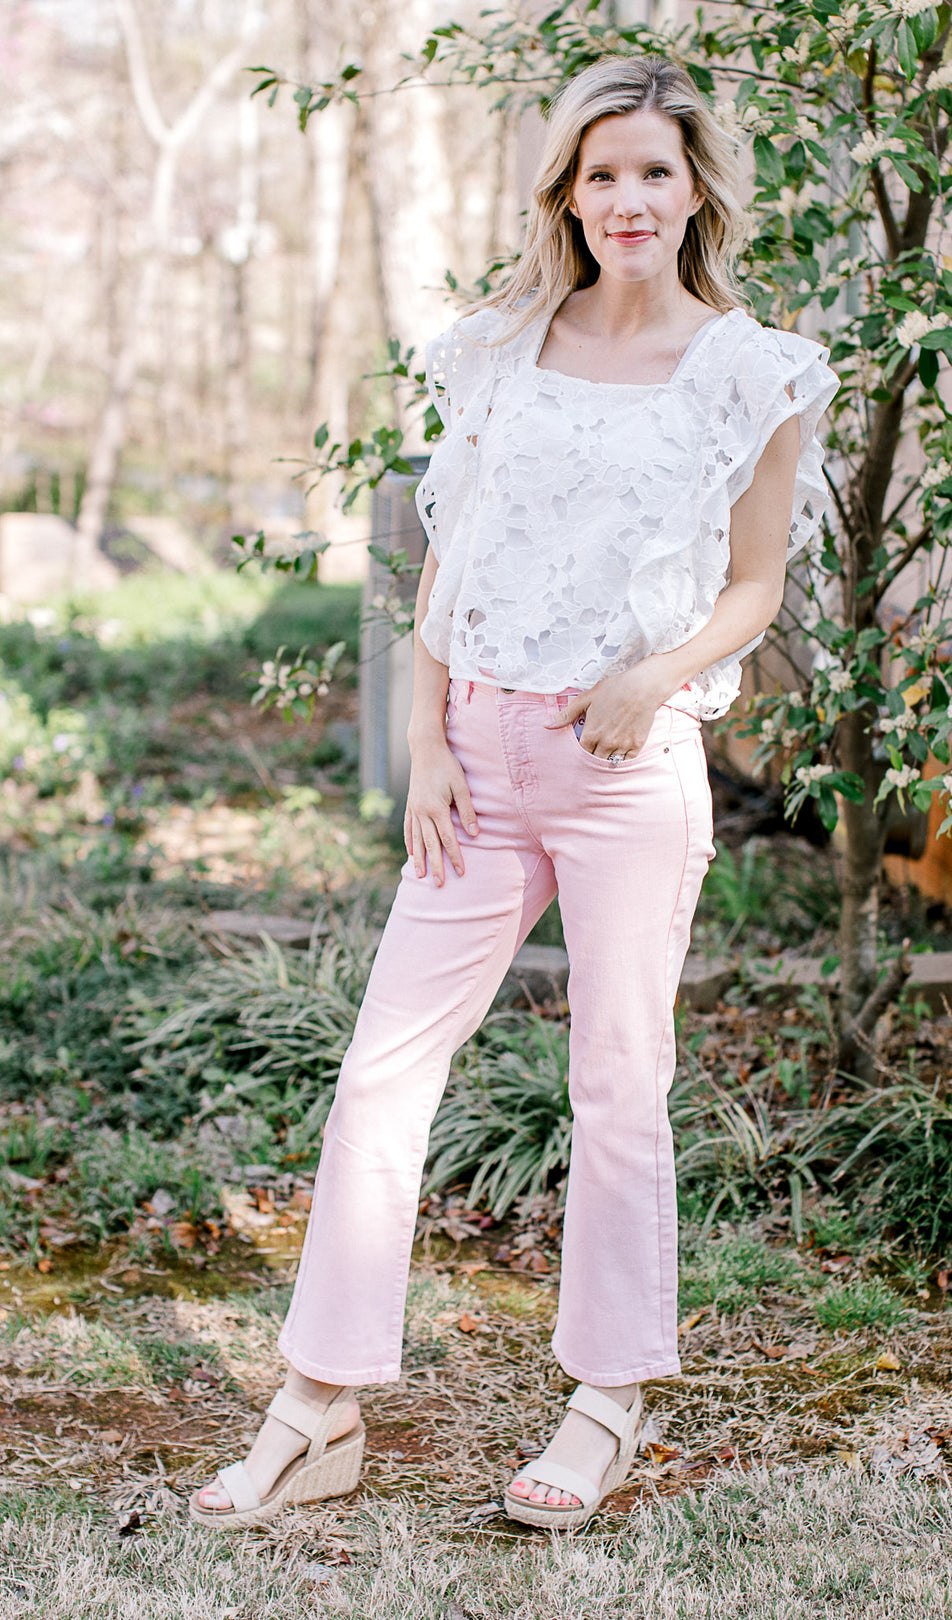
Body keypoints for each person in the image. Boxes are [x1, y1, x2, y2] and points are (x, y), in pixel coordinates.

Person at [190, 52, 839, 1532]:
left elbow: (754, 586)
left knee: (618, 1083)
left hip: (626, 769)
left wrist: (654, 675)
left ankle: (606, 1398)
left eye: (654, 173)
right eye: (601, 173)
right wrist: (426, 739)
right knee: (381, 1076)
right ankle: (317, 1409)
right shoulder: (497, 347)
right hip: (476, 761)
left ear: (695, 193)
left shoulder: (749, 370)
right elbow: (444, 553)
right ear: (567, 190)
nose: (628, 199)